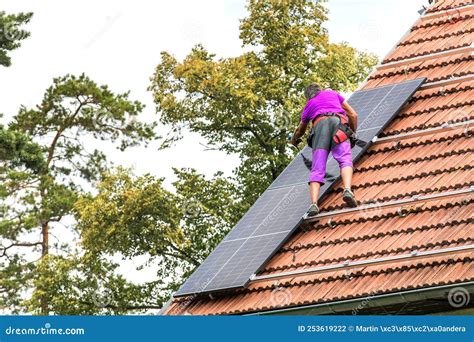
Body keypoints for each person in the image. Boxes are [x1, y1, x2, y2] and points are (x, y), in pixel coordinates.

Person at [290, 83, 359, 217]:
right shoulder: (333, 94)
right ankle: (347, 190)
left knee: (317, 168)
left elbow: (300, 130)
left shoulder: (309, 104)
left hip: (319, 128)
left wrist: (294, 140)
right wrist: (351, 133)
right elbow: (353, 114)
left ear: (308, 96)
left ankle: (314, 204)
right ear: (320, 90)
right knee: (345, 159)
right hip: (337, 125)